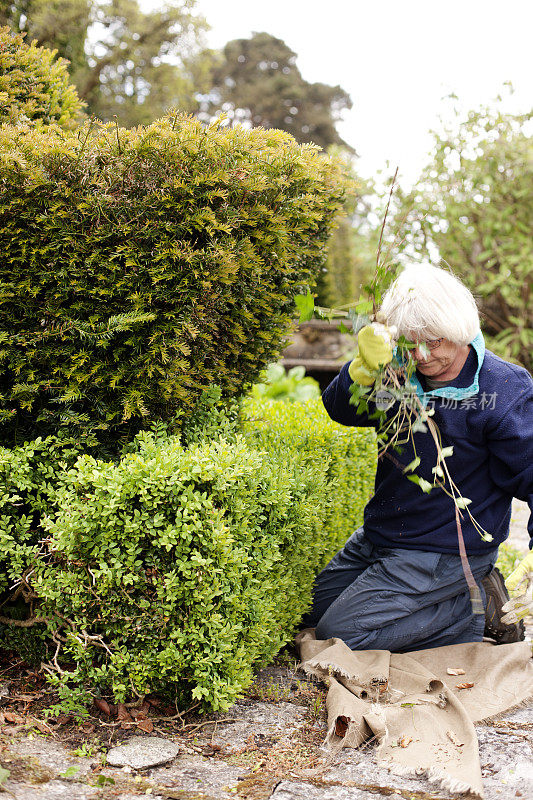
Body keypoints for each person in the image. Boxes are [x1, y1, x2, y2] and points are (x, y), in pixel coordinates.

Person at [304, 263, 533, 652]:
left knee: (337, 638)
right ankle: (458, 603)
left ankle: (470, 614)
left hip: (445, 551)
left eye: (435, 342)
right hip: (381, 535)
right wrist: (359, 372)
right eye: (409, 344)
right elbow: (341, 410)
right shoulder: (395, 371)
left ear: (459, 330)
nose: (422, 356)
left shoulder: (505, 388)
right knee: (308, 615)